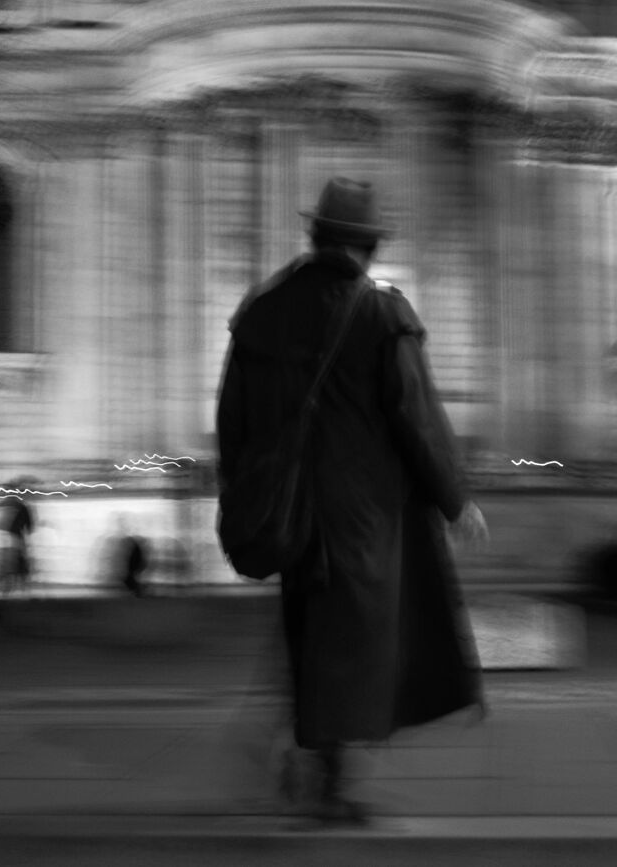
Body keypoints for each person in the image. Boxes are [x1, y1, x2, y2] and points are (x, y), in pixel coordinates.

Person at [216, 176, 489, 825]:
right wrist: (455, 499)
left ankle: (306, 759)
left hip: (287, 512)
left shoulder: (262, 309)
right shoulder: (381, 313)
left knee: (306, 633)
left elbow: (234, 420)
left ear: (316, 238)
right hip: (360, 518)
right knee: (351, 647)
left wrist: (246, 492)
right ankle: (327, 784)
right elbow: (415, 416)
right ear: (366, 246)